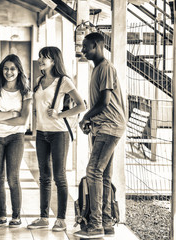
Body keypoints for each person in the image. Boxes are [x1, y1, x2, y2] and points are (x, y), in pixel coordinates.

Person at [73, 32, 126, 238]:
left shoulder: (105, 68)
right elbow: (102, 104)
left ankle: (95, 226)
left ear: (96, 45)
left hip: (109, 127)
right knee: (103, 175)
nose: (83, 50)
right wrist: (91, 121)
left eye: (86, 47)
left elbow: (104, 102)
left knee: (93, 171)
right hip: (104, 125)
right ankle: (106, 221)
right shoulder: (97, 69)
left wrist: (86, 116)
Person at [27, 47, 86, 231]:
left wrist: (60, 115)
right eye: (40, 57)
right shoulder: (38, 80)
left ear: (54, 61)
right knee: (44, 176)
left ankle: (61, 219)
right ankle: (43, 217)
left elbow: (81, 105)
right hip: (41, 132)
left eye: (45, 58)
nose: (41, 60)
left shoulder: (64, 81)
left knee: (59, 176)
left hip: (58, 133)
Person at [0, 54, 32, 228]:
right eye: (6, 68)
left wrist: (1, 117)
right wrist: (12, 114)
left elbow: (23, 121)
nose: (9, 72)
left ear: (19, 70)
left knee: (13, 177)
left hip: (16, 137)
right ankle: (1, 215)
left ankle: (16, 216)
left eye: (13, 68)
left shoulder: (26, 92)